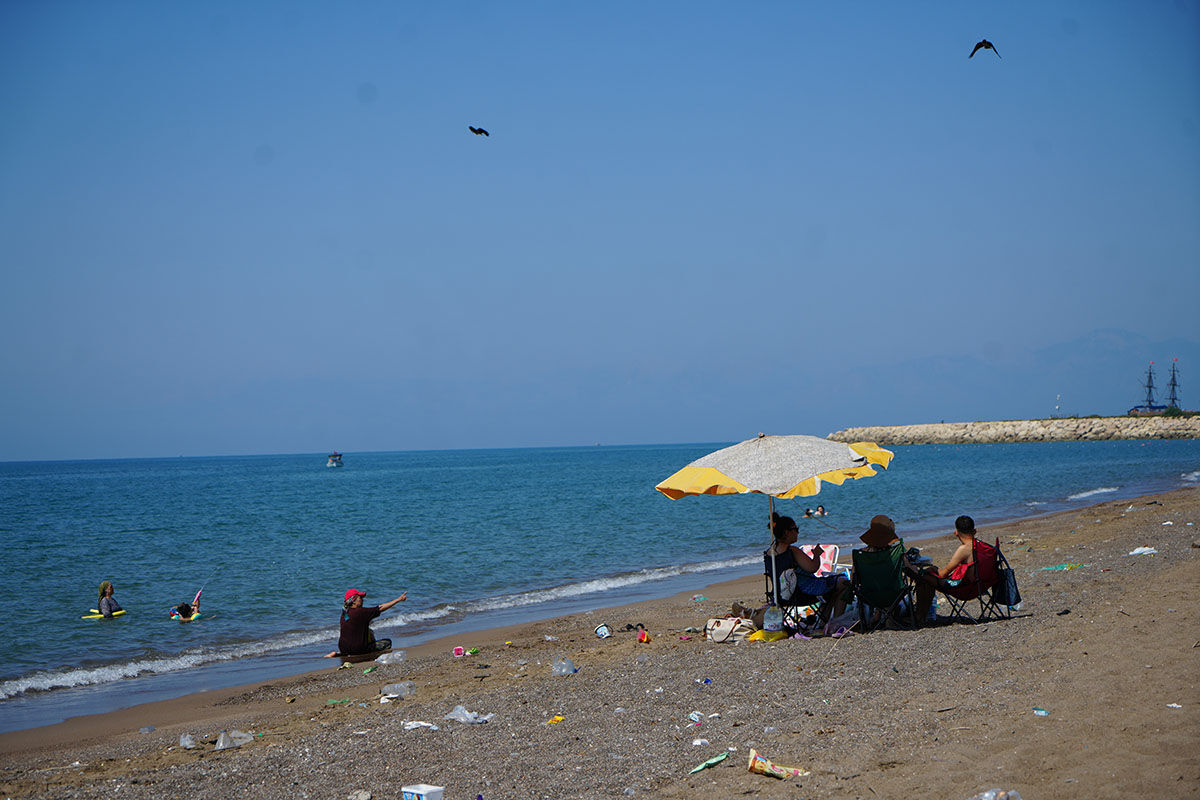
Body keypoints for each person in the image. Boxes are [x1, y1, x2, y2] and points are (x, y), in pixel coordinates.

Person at [766, 513, 851, 633]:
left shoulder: (770, 553)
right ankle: (836, 622)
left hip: (780, 595)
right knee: (844, 583)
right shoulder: (792, 551)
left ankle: (824, 621)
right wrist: (816, 554)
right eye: (795, 529)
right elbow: (813, 568)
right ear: (786, 532)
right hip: (803, 593)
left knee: (832, 587)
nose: (798, 532)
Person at [909, 515, 989, 620]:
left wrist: (932, 569)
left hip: (966, 589)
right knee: (929, 574)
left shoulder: (964, 549)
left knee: (924, 577)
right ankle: (922, 615)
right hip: (982, 585)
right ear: (974, 531)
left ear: (956, 532)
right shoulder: (984, 547)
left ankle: (920, 616)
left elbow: (943, 574)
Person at [333, 588, 407, 656]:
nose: (362, 600)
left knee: (369, 631)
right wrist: (398, 600)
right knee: (387, 643)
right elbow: (380, 608)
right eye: (360, 598)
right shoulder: (361, 612)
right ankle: (372, 655)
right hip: (357, 650)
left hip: (343, 649)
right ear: (353, 600)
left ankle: (339, 654)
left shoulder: (344, 613)